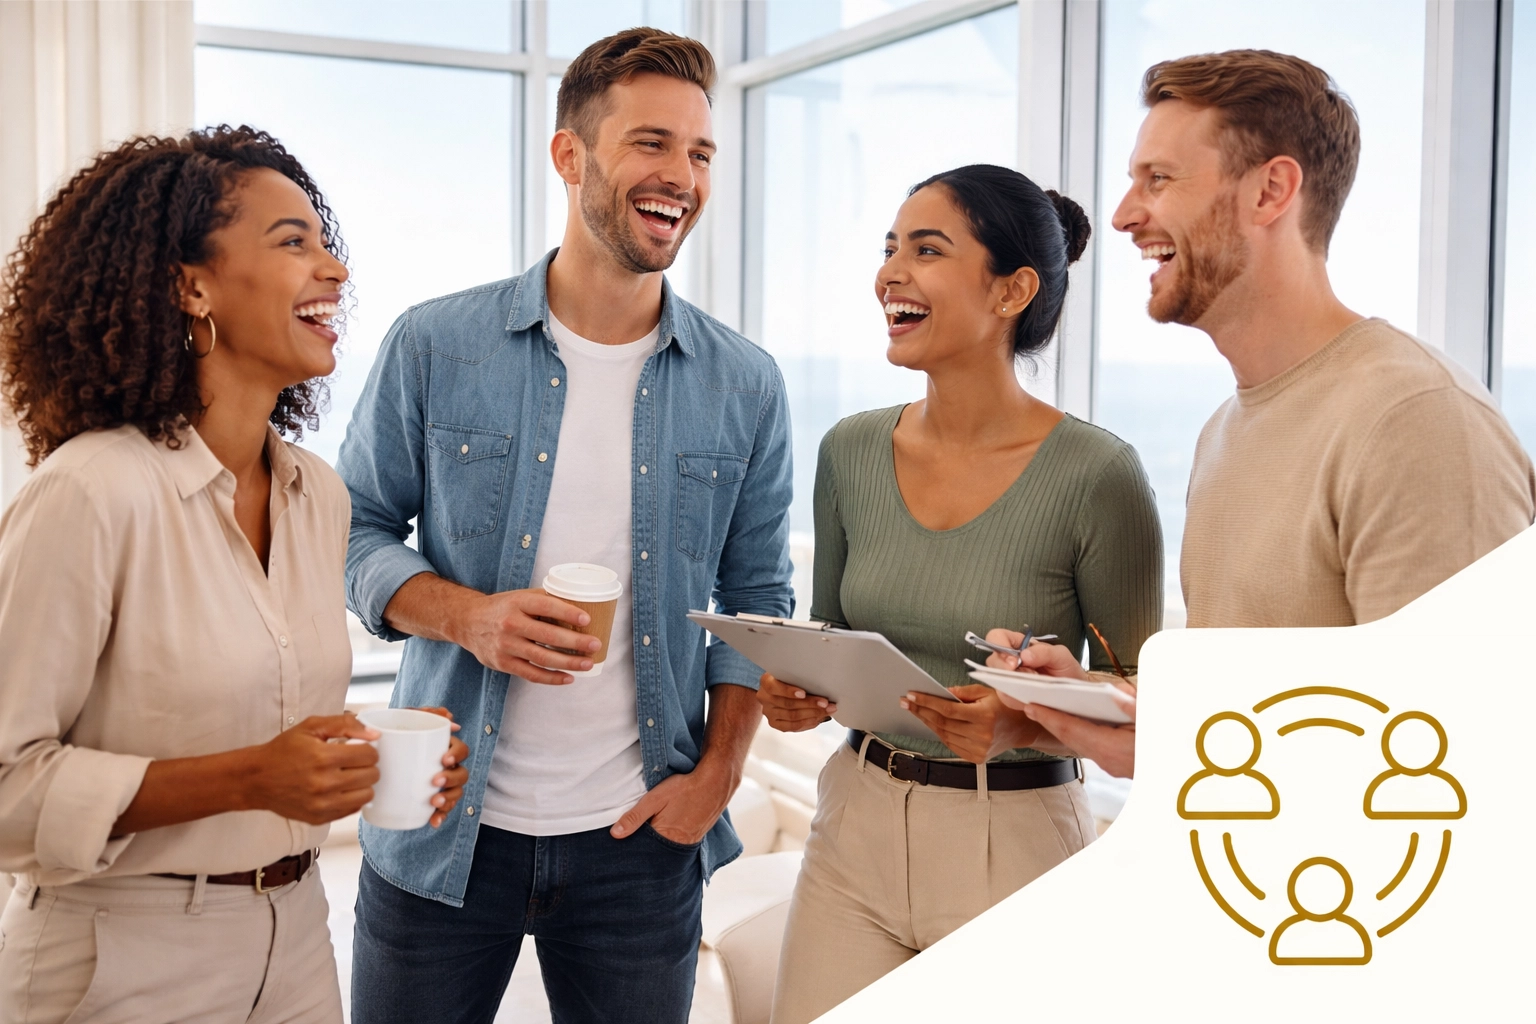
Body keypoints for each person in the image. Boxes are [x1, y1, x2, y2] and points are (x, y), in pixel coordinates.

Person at [338, 28, 792, 1024]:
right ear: (570, 155)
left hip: (638, 843)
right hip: (443, 826)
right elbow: (356, 529)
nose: (681, 175)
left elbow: (758, 600)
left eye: (702, 153)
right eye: (652, 143)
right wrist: (467, 616)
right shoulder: (435, 344)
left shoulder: (746, 383)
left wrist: (718, 776)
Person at [0, 126, 468, 1024]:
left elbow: (261, 714)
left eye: (325, 244)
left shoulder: (316, 494)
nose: (333, 270)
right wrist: (251, 779)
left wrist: (366, 753)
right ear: (192, 284)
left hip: (296, 941)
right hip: (122, 963)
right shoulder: (92, 493)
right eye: (293, 243)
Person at [993, 49, 1535, 764]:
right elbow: (1289, 714)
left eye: (1158, 179)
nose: (1123, 216)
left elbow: (1455, 758)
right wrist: (1126, 717)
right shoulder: (1225, 430)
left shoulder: (1417, 421)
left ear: (1271, 191)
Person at [756, 164, 1162, 1024]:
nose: (890, 273)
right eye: (890, 248)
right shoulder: (849, 451)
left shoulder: (1099, 476)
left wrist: (1021, 719)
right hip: (855, 823)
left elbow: (1145, 705)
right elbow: (833, 633)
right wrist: (799, 692)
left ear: (1013, 289)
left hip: (1013, 843)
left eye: (927, 250)